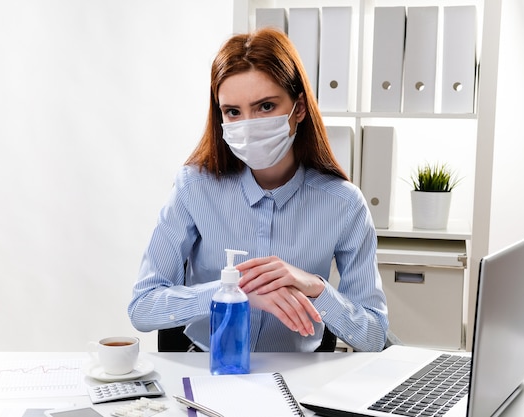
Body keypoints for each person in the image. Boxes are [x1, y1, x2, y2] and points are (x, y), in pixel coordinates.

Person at [128, 28, 388, 352]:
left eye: (265, 106)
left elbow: (375, 334)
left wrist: (316, 289)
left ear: (300, 109)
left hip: (300, 375)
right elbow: (142, 307)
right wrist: (233, 291)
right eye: (233, 112)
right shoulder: (193, 187)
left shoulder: (344, 204)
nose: (248, 125)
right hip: (209, 368)